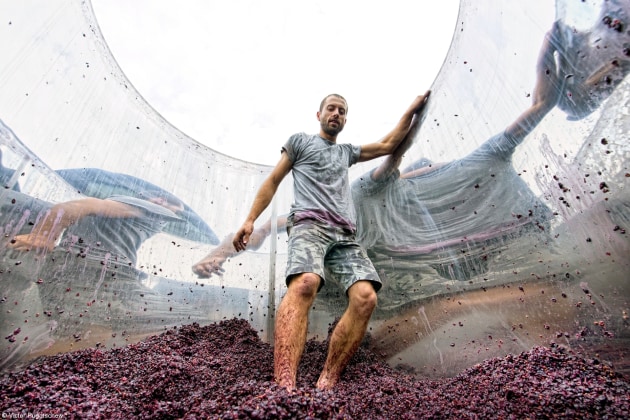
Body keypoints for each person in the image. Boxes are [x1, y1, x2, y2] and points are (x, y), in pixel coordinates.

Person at [229, 91, 430, 390]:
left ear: (345, 120)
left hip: (344, 235)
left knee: (366, 297)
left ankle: (328, 380)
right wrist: (250, 220)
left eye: (342, 111)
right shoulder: (300, 142)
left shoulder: (346, 152)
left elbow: (389, 144)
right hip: (309, 225)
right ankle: (284, 387)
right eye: (331, 109)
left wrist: (412, 110)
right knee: (306, 282)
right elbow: (273, 181)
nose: (336, 113)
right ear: (319, 114)